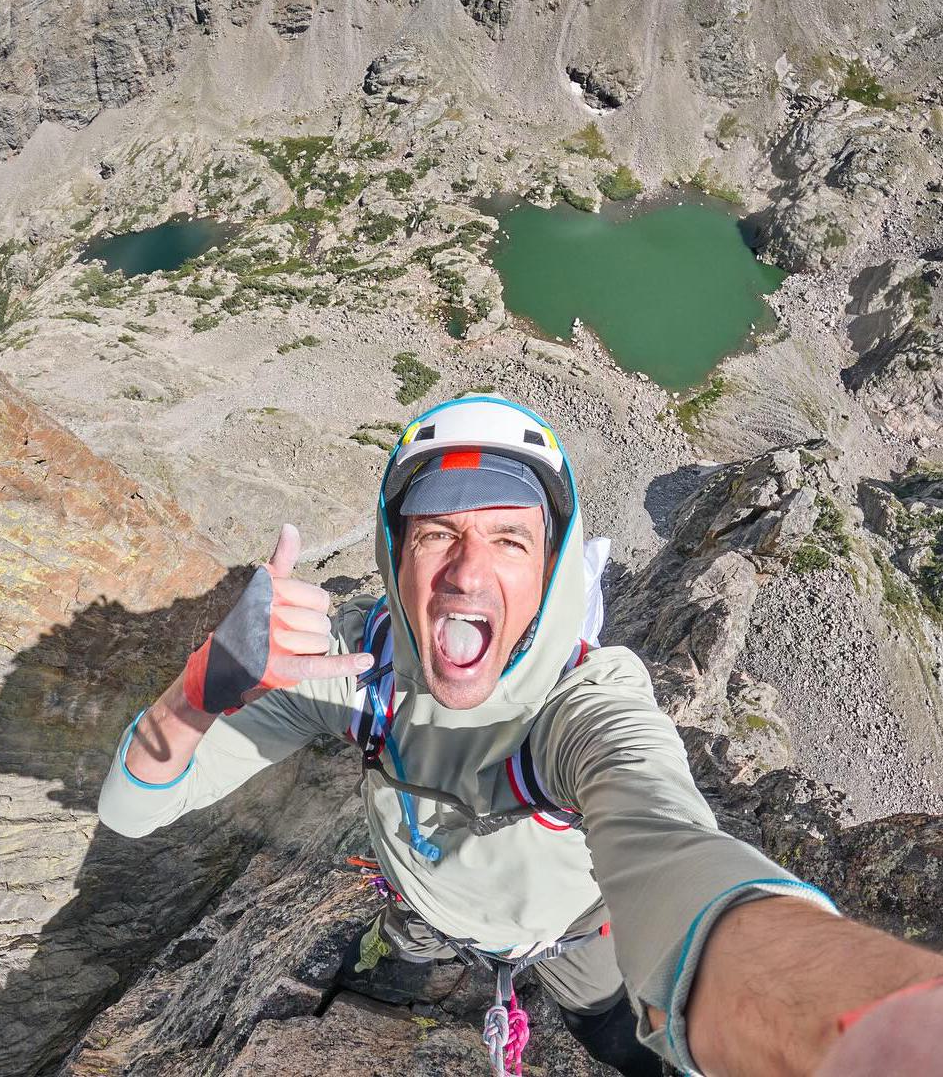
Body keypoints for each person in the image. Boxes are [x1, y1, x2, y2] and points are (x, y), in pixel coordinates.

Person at [98, 395, 943, 1076]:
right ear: (396, 559)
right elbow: (134, 809)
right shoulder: (356, 672)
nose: (468, 571)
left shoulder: (587, 704)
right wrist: (202, 686)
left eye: (510, 539)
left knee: (618, 1037)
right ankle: (423, 944)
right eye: (437, 533)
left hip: (575, 941)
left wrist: (860, 1033)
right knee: (427, 947)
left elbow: (671, 843)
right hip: (430, 907)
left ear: (551, 570)